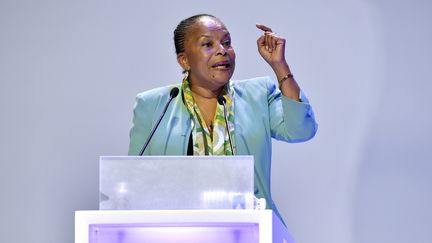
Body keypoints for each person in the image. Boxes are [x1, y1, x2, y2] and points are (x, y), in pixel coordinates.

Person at [128, 14, 317, 224]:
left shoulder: (258, 94)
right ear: (184, 59)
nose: (222, 50)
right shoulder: (153, 105)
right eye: (208, 44)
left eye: (227, 42)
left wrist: (279, 65)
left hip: (250, 230)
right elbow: (136, 182)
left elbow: (301, 130)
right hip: (175, 230)